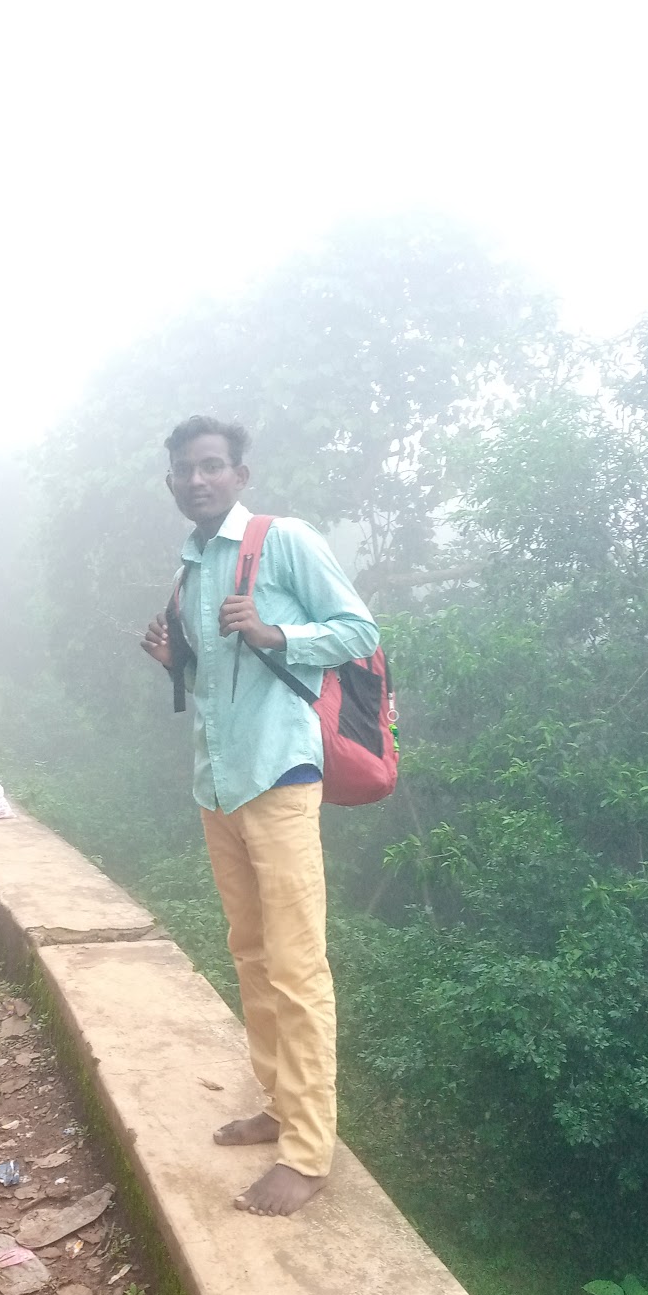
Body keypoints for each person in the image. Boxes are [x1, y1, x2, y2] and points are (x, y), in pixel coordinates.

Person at [141, 416, 379, 1219]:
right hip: (218, 782)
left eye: (213, 466)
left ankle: (308, 1153)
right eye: (185, 470)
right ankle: (277, 1105)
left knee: (297, 962)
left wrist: (281, 630)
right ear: (171, 482)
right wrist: (175, 657)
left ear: (239, 475)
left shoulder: (283, 541)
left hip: (280, 776)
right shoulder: (189, 564)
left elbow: (359, 631)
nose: (198, 480)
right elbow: (216, 679)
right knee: (249, 953)